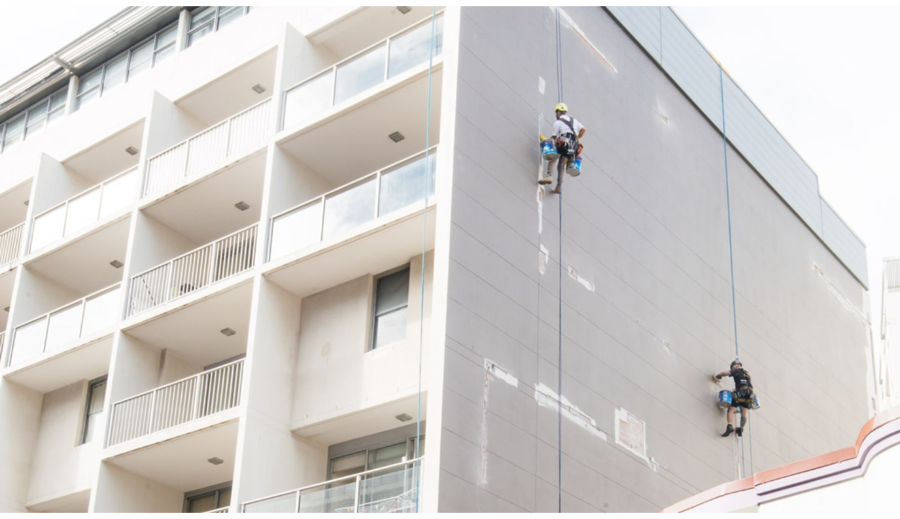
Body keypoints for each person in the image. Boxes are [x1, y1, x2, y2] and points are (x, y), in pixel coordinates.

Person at [539, 103, 586, 194]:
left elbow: (553, 137)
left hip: (563, 144)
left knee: (553, 157)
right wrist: (577, 139)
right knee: (561, 164)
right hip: (572, 147)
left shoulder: (558, 122)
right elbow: (583, 129)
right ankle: (559, 186)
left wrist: (545, 140)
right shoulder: (574, 120)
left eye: (556, 112)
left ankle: (549, 176)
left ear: (559, 112)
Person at [714, 359, 754, 438]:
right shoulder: (747, 374)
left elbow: (726, 373)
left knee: (731, 410)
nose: (736, 366)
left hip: (739, 393)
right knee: (744, 413)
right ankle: (741, 429)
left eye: (736, 365)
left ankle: (729, 426)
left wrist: (718, 376)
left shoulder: (736, 371)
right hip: (748, 395)